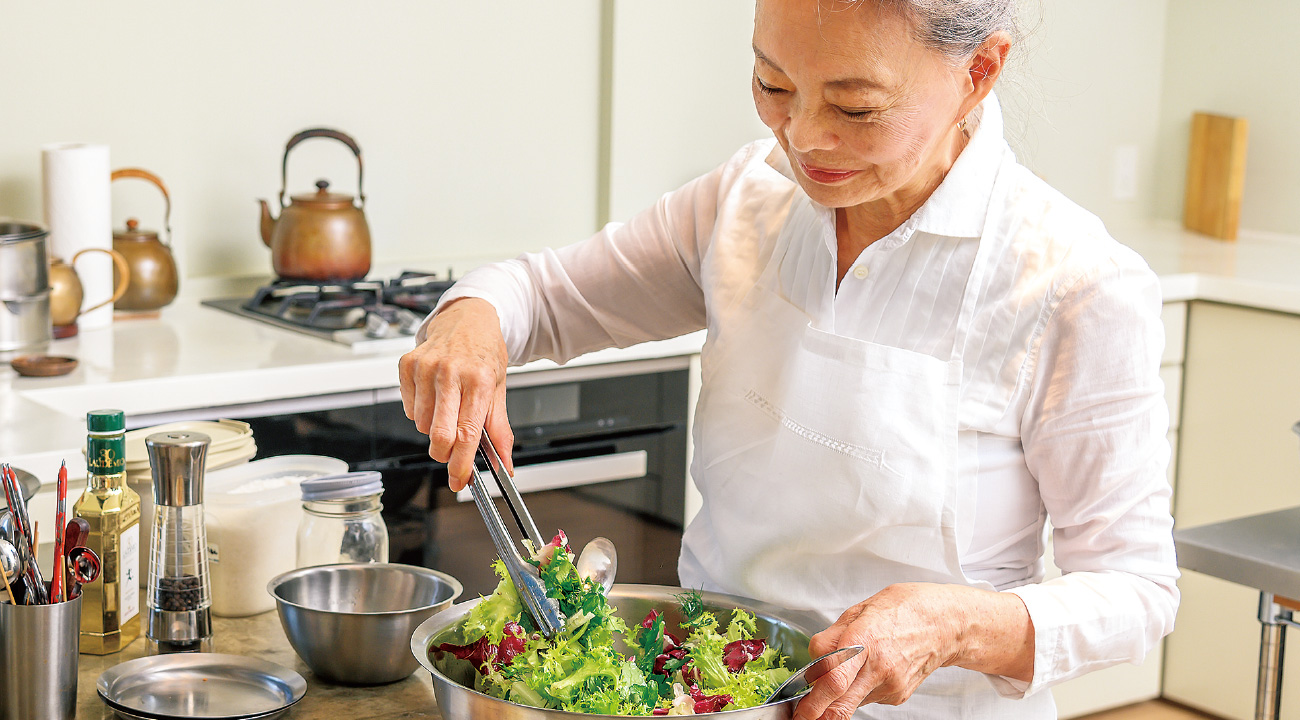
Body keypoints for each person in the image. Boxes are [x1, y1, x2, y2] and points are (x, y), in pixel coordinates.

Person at [398, 0, 1180, 717]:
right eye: (773, 84)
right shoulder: (746, 198)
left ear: (978, 72)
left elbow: (1137, 592)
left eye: (855, 106)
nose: (804, 136)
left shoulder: (1072, 283)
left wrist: (954, 625)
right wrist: (470, 326)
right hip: (707, 695)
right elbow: (539, 293)